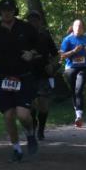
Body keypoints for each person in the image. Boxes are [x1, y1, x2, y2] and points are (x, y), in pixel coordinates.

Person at [0, 0, 41, 161]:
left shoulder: (26, 28)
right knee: (8, 116)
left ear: (15, 11)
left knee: (23, 115)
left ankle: (30, 134)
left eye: (10, 10)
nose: (7, 13)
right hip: (4, 78)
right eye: (3, 10)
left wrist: (32, 54)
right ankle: (16, 149)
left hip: (24, 77)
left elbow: (40, 47)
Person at [25, 10, 59, 140]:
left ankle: (41, 130)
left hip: (43, 74)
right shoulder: (22, 37)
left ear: (40, 22)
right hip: (28, 75)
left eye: (35, 20)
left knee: (43, 105)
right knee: (31, 105)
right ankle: (33, 126)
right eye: (30, 20)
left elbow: (56, 55)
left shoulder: (45, 36)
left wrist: (52, 66)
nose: (33, 22)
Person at [59, 19, 86, 128]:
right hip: (70, 68)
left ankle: (79, 117)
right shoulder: (67, 40)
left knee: (78, 89)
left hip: (83, 68)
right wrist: (74, 51)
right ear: (73, 27)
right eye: (76, 26)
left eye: (80, 26)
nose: (78, 28)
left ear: (83, 28)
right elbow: (62, 56)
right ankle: (77, 112)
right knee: (74, 91)